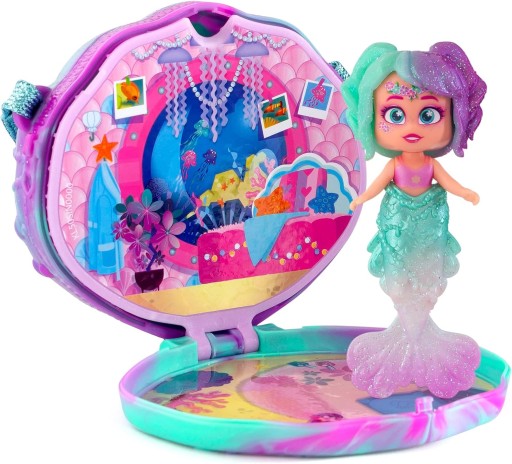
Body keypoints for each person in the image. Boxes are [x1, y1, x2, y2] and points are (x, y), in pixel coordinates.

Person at [341, 42, 486, 398]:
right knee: (399, 278)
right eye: (394, 114)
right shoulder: (395, 165)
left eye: (428, 115)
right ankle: (408, 337)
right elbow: (378, 185)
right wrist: (360, 197)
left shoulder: (431, 165)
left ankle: (418, 338)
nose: (411, 127)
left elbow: (448, 183)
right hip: (397, 223)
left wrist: (465, 192)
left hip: (430, 222)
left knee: (426, 275)